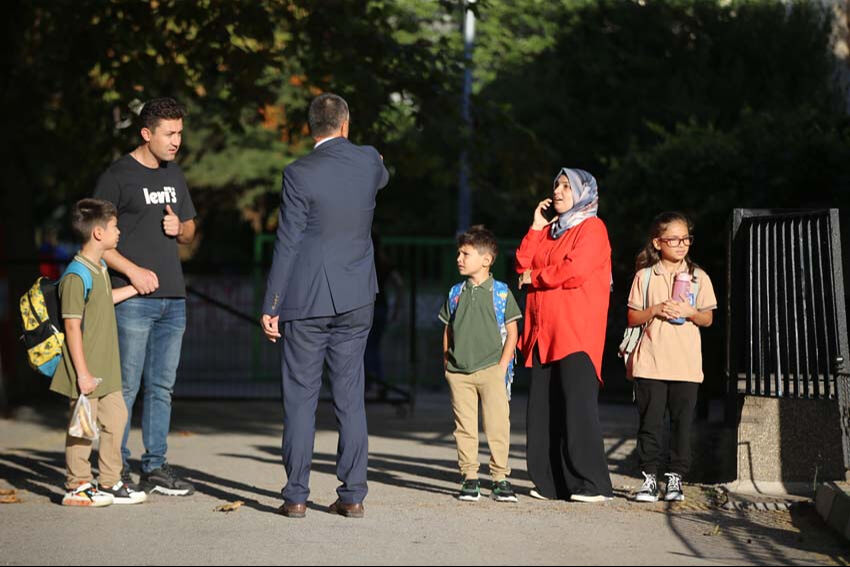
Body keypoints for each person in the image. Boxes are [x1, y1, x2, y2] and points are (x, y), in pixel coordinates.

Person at [261, 93, 389, 519]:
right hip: (357, 296)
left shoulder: (298, 173)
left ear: (309, 127)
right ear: (345, 124)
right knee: (350, 397)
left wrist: (272, 303)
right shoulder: (369, 161)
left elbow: (288, 241)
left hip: (307, 298)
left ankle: (296, 495)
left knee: (301, 399)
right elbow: (382, 174)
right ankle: (352, 495)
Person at [94, 97, 198, 496]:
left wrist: (180, 229)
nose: (176, 141)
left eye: (179, 133)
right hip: (132, 299)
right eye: (169, 133)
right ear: (146, 133)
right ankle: (114, 468)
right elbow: (96, 240)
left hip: (174, 298)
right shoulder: (117, 176)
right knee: (125, 388)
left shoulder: (175, 174)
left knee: (161, 388)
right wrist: (132, 272)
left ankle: (155, 466)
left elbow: (190, 229)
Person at [516, 168, 614, 503]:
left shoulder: (592, 228)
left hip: (575, 331)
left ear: (583, 192)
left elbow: (575, 270)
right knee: (543, 410)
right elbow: (522, 264)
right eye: (556, 185)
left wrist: (535, 277)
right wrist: (535, 227)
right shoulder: (550, 230)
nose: (557, 191)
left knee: (577, 408)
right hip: (542, 332)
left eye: (566, 186)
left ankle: (593, 484)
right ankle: (552, 484)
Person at [53, 199, 146, 506]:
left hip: (107, 368)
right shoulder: (76, 275)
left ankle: (109, 481)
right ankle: (77, 485)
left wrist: (135, 288)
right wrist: (82, 373)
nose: (119, 232)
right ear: (98, 233)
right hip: (86, 369)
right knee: (82, 427)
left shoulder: (100, 267)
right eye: (114, 226)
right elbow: (72, 326)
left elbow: (104, 300)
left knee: (116, 420)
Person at [627, 212, 717, 503]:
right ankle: (649, 479)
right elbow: (631, 317)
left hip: (686, 366)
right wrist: (655, 309)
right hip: (650, 363)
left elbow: (708, 319)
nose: (681, 245)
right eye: (674, 239)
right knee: (650, 425)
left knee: (682, 425)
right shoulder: (644, 276)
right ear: (658, 242)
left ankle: (676, 478)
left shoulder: (699, 277)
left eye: (686, 239)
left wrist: (690, 312)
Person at [438, 226, 521, 503]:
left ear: (486, 260)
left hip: (492, 371)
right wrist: (447, 362)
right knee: (464, 427)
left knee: (497, 426)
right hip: (459, 372)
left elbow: (513, 332)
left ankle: (500, 478)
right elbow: (448, 329)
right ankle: (469, 477)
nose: (459, 259)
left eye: (465, 254)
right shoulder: (455, 292)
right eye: (459, 253)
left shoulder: (501, 293)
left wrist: (502, 366)